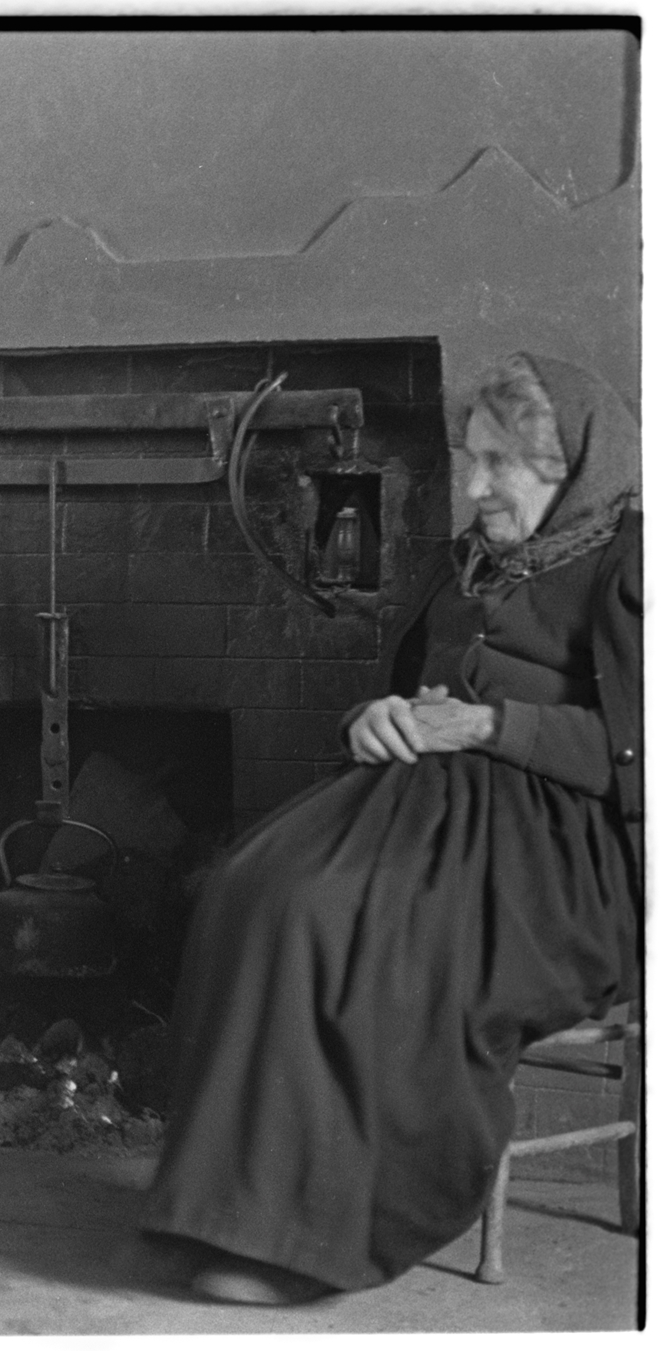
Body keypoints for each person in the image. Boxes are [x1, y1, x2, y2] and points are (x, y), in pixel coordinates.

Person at [141, 353, 642, 1303]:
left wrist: (493, 725)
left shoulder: (630, 567)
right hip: (421, 804)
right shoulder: (464, 565)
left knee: (342, 915)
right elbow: (404, 691)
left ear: (572, 464)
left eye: (504, 465)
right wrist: (366, 719)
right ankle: (232, 1213)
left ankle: (319, 1235)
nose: (478, 485)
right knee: (251, 885)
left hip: (565, 849)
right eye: (471, 458)